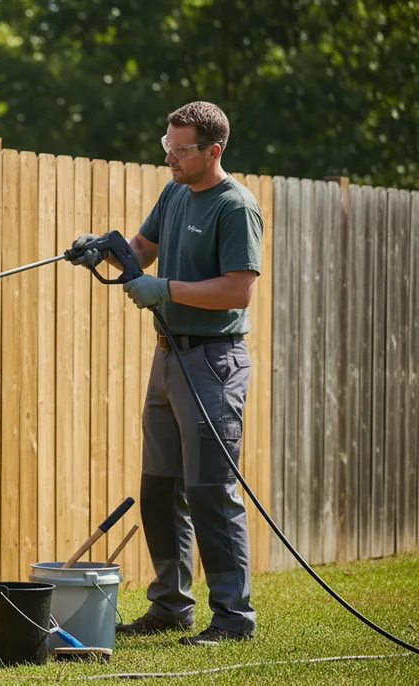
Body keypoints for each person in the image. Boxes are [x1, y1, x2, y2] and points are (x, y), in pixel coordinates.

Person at [69, 101, 263, 647]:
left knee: (210, 491)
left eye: (181, 150)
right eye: (167, 146)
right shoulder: (176, 191)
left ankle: (232, 618)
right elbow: (142, 250)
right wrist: (102, 254)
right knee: (159, 488)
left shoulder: (235, 206)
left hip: (213, 363)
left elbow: (237, 289)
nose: (170, 157)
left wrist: (167, 290)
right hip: (169, 355)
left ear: (213, 151)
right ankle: (170, 606)